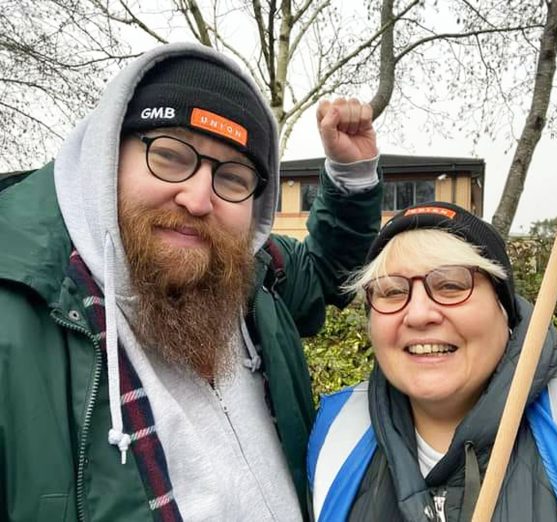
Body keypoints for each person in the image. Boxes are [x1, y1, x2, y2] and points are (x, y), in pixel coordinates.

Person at [0, 42, 382, 521]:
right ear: (107, 156)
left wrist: (351, 173)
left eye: (235, 177)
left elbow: (327, 273)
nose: (199, 198)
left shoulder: (254, 276)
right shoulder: (15, 312)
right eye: (171, 155)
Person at [308, 201, 557, 522]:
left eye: (450, 285)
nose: (419, 314)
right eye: (392, 291)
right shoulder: (335, 430)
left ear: (504, 309)